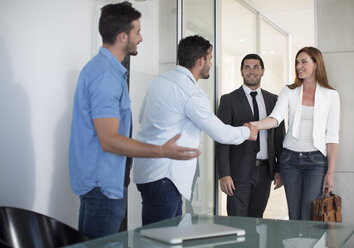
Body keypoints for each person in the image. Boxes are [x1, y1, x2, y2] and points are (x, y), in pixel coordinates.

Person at [68, 3, 200, 239]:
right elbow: (109, 140)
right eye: (137, 32)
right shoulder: (106, 77)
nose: (141, 38)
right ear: (122, 36)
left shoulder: (102, 70)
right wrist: (162, 150)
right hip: (104, 188)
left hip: (102, 185)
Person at [133, 35, 258, 226]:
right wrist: (246, 131)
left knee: (156, 235)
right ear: (201, 61)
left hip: (147, 172)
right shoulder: (192, 93)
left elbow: (142, 118)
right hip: (166, 176)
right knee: (162, 238)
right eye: (210, 58)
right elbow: (221, 133)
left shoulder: (158, 81)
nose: (210, 63)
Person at [250, 47, 340, 220]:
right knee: (294, 214)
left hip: (316, 161)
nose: (299, 66)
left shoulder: (331, 95)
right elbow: (275, 118)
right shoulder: (289, 91)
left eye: (304, 62)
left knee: (308, 214)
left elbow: (332, 136)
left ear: (316, 63)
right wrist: (255, 125)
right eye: (297, 62)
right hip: (289, 159)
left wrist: (330, 172)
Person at [216, 54, 285, 218]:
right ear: (241, 72)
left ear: (263, 71)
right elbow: (222, 140)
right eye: (247, 67)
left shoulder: (274, 100)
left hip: (264, 173)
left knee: (256, 221)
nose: (251, 71)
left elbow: (279, 138)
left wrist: (279, 169)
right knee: (237, 222)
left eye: (256, 67)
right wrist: (224, 174)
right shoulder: (228, 100)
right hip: (238, 174)